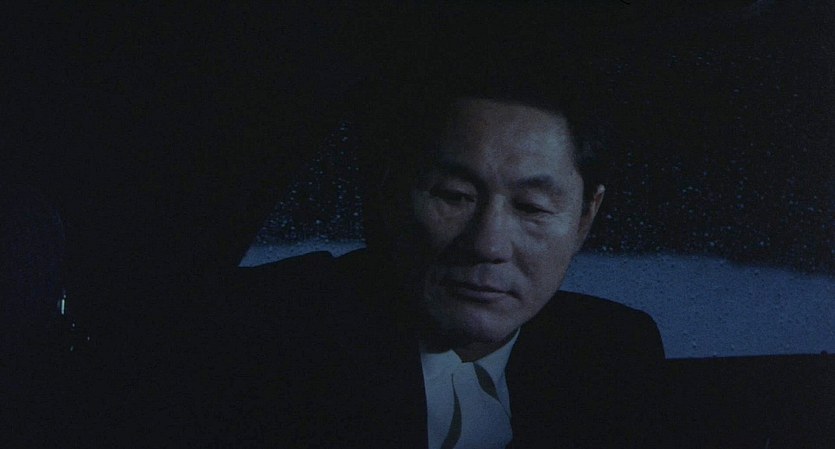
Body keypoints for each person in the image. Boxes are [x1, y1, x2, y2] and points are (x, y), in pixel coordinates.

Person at [224, 50, 667, 449]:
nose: (488, 245)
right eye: (455, 196)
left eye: (531, 207)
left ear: (585, 217)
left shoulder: (610, 354)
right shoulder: (269, 335)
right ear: (390, 191)